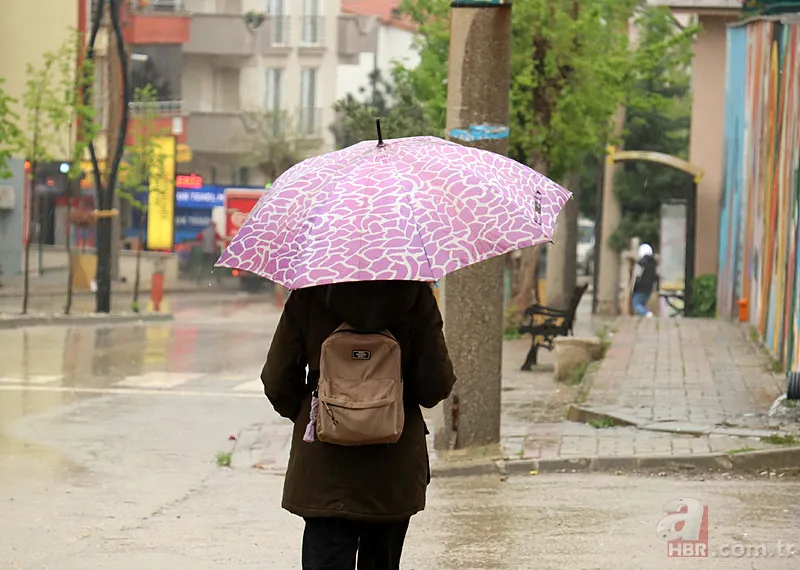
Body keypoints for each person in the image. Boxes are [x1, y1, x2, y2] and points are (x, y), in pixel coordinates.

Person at [261, 281, 456, 570]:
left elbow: (277, 380)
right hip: (392, 467)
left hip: (324, 467)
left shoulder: (309, 293)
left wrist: (316, 414)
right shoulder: (415, 295)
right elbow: (435, 385)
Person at [632, 243, 659, 317]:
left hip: (640, 288)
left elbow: (637, 276)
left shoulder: (640, 263)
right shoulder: (653, 264)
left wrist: (634, 288)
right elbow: (656, 277)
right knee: (642, 304)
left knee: (636, 304)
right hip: (649, 288)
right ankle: (644, 316)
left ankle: (647, 314)